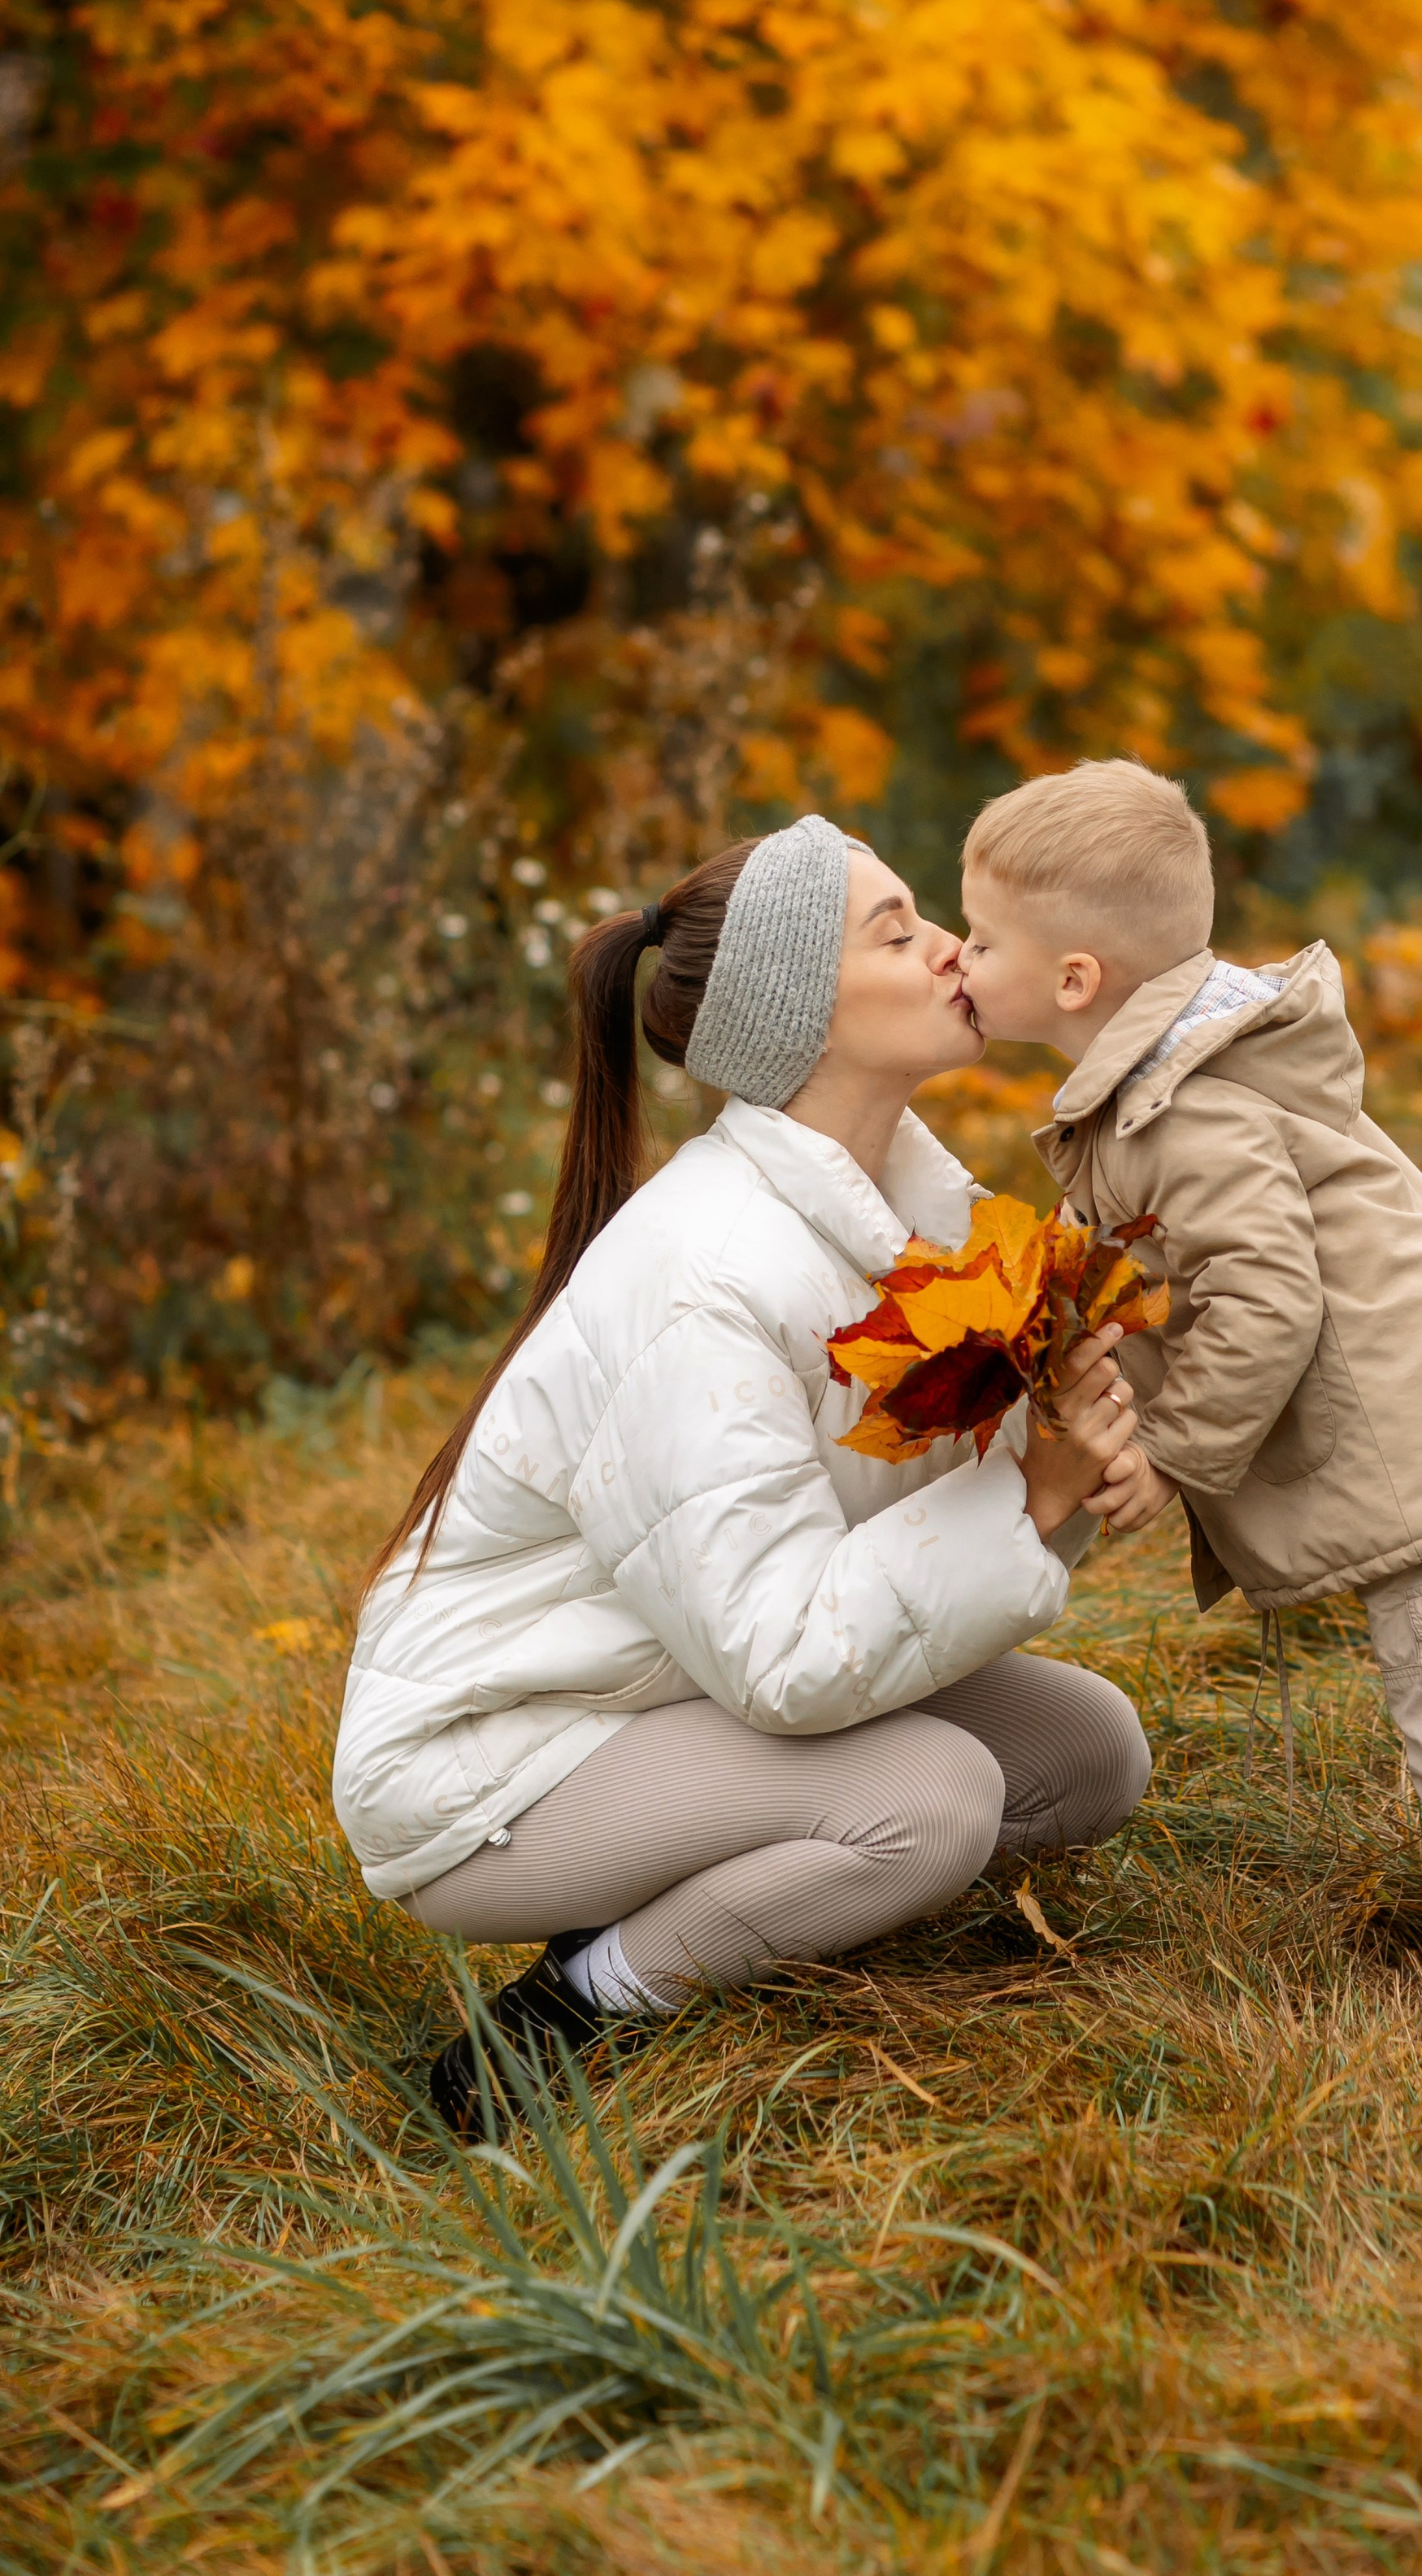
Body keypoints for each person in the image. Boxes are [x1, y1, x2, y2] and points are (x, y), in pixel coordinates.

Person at [333, 816, 1151, 2133]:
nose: (950, 948)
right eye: (898, 931)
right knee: (934, 1807)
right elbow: (785, 1655)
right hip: (503, 1759)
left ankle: (705, 1875)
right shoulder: (703, 1273)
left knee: (1090, 1757)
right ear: (799, 1019)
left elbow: (924, 1536)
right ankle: (583, 1999)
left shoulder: (913, 1218)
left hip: (678, 1686)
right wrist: (1031, 1496)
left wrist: (1076, 1468)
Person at [955, 762, 1422, 1991]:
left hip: (1410, 1442)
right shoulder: (1161, 1089)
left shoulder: (1191, 1111)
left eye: (980, 938)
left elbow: (1266, 1297)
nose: (960, 959)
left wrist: (1173, 1449)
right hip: (1410, 1431)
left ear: (1075, 980)